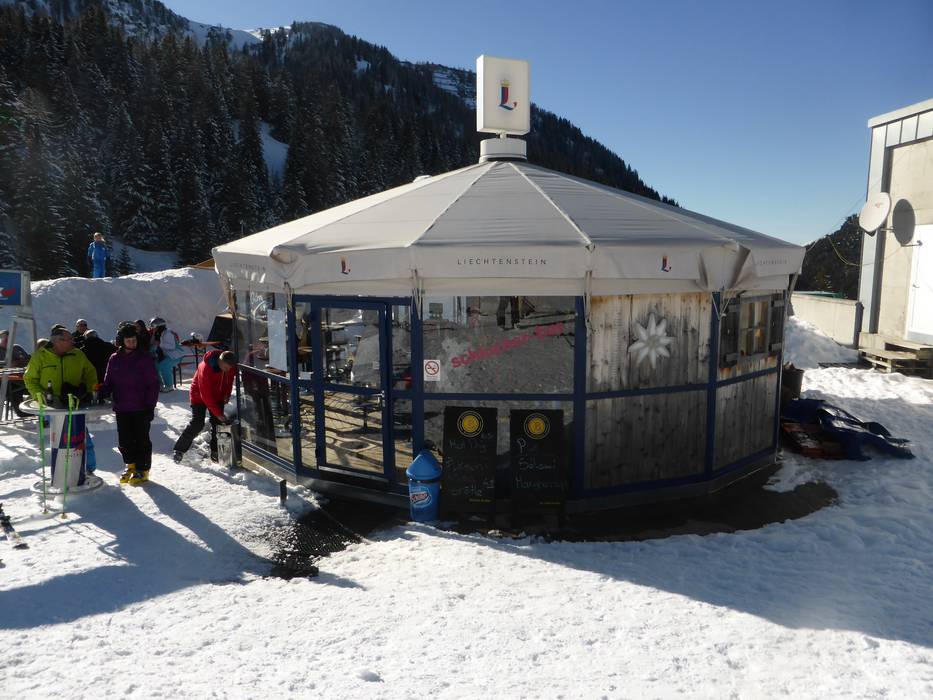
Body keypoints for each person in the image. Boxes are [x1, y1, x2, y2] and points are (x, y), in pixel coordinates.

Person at [98, 323, 159, 484]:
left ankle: (142, 469)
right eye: (128, 340)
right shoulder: (114, 359)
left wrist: (150, 405)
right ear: (121, 341)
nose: (132, 343)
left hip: (141, 406)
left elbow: (153, 384)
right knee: (125, 440)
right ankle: (130, 465)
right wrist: (102, 392)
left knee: (141, 439)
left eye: (134, 340)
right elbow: (109, 381)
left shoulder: (144, 358)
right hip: (122, 406)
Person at [173, 350, 237, 463]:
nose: (228, 370)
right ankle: (179, 449)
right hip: (199, 395)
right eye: (226, 367)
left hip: (218, 395)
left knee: (218, 423)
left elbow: (229, 380)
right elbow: (206, 395)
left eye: (229, 368)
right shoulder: (206, 368)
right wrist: (218, 413)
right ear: (220, 361)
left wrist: (226, 394)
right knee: (197, 423)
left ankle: (216, 451)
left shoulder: (229, 366)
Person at [23, 326, 98, 404]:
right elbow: (30, 379)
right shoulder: (40, 356)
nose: (73, 342)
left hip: (76, 402)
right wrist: (39, 395)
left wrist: (89, 392)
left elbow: (91, 374)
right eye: (70, 339)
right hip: (48, 404)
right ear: (57, 341)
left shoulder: (78, 354)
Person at [149, 317, 184, 392]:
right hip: (166, 355)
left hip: (175, 355)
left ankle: (169, 386)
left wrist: (160, 344)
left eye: (153, 326)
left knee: (164, 365)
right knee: (154, 365)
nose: (152, 328)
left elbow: (172, 346)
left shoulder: (168, 333)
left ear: (159, 326)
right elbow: (153, 344)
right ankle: (160, 385)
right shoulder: (157, 334)